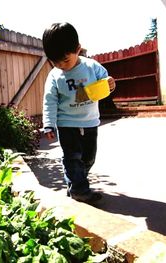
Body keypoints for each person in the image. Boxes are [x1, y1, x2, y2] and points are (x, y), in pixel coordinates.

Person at [42, 22, 116, 205]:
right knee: (72, 157)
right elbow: (49, 101)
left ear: (78, 49)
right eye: (55, 62)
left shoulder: (91, 67)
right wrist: (49, 124)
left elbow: (105, 80)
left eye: (65, 60)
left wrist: (109, 83)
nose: (61, 66)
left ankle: (75, 182)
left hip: (90, 122)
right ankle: (80, 190)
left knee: (88, 158)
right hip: (67, 124)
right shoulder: (54, 76)